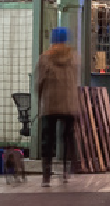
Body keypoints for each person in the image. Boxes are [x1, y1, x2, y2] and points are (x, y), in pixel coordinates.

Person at [33, 25, 80, 184]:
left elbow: (39, 82)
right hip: (69, 105)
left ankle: (46, 174)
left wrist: (40, 100)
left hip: (50, 104)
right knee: (67, 137)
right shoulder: (74, 58)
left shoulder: (44, 58)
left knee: (48, 139)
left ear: (52, 40)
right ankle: (66, 171)